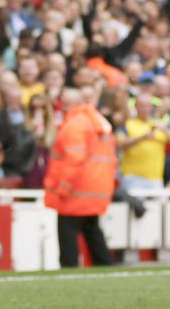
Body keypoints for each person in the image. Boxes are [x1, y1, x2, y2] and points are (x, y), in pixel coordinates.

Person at [44, 90, 116, 268]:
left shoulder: (75, 125)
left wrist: (63, 187)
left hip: (75, 192)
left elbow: (74, 159)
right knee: (92, 232)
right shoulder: (96, 121)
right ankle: (105, 268)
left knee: (68, 237)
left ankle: (69, 271)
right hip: (94, 190)